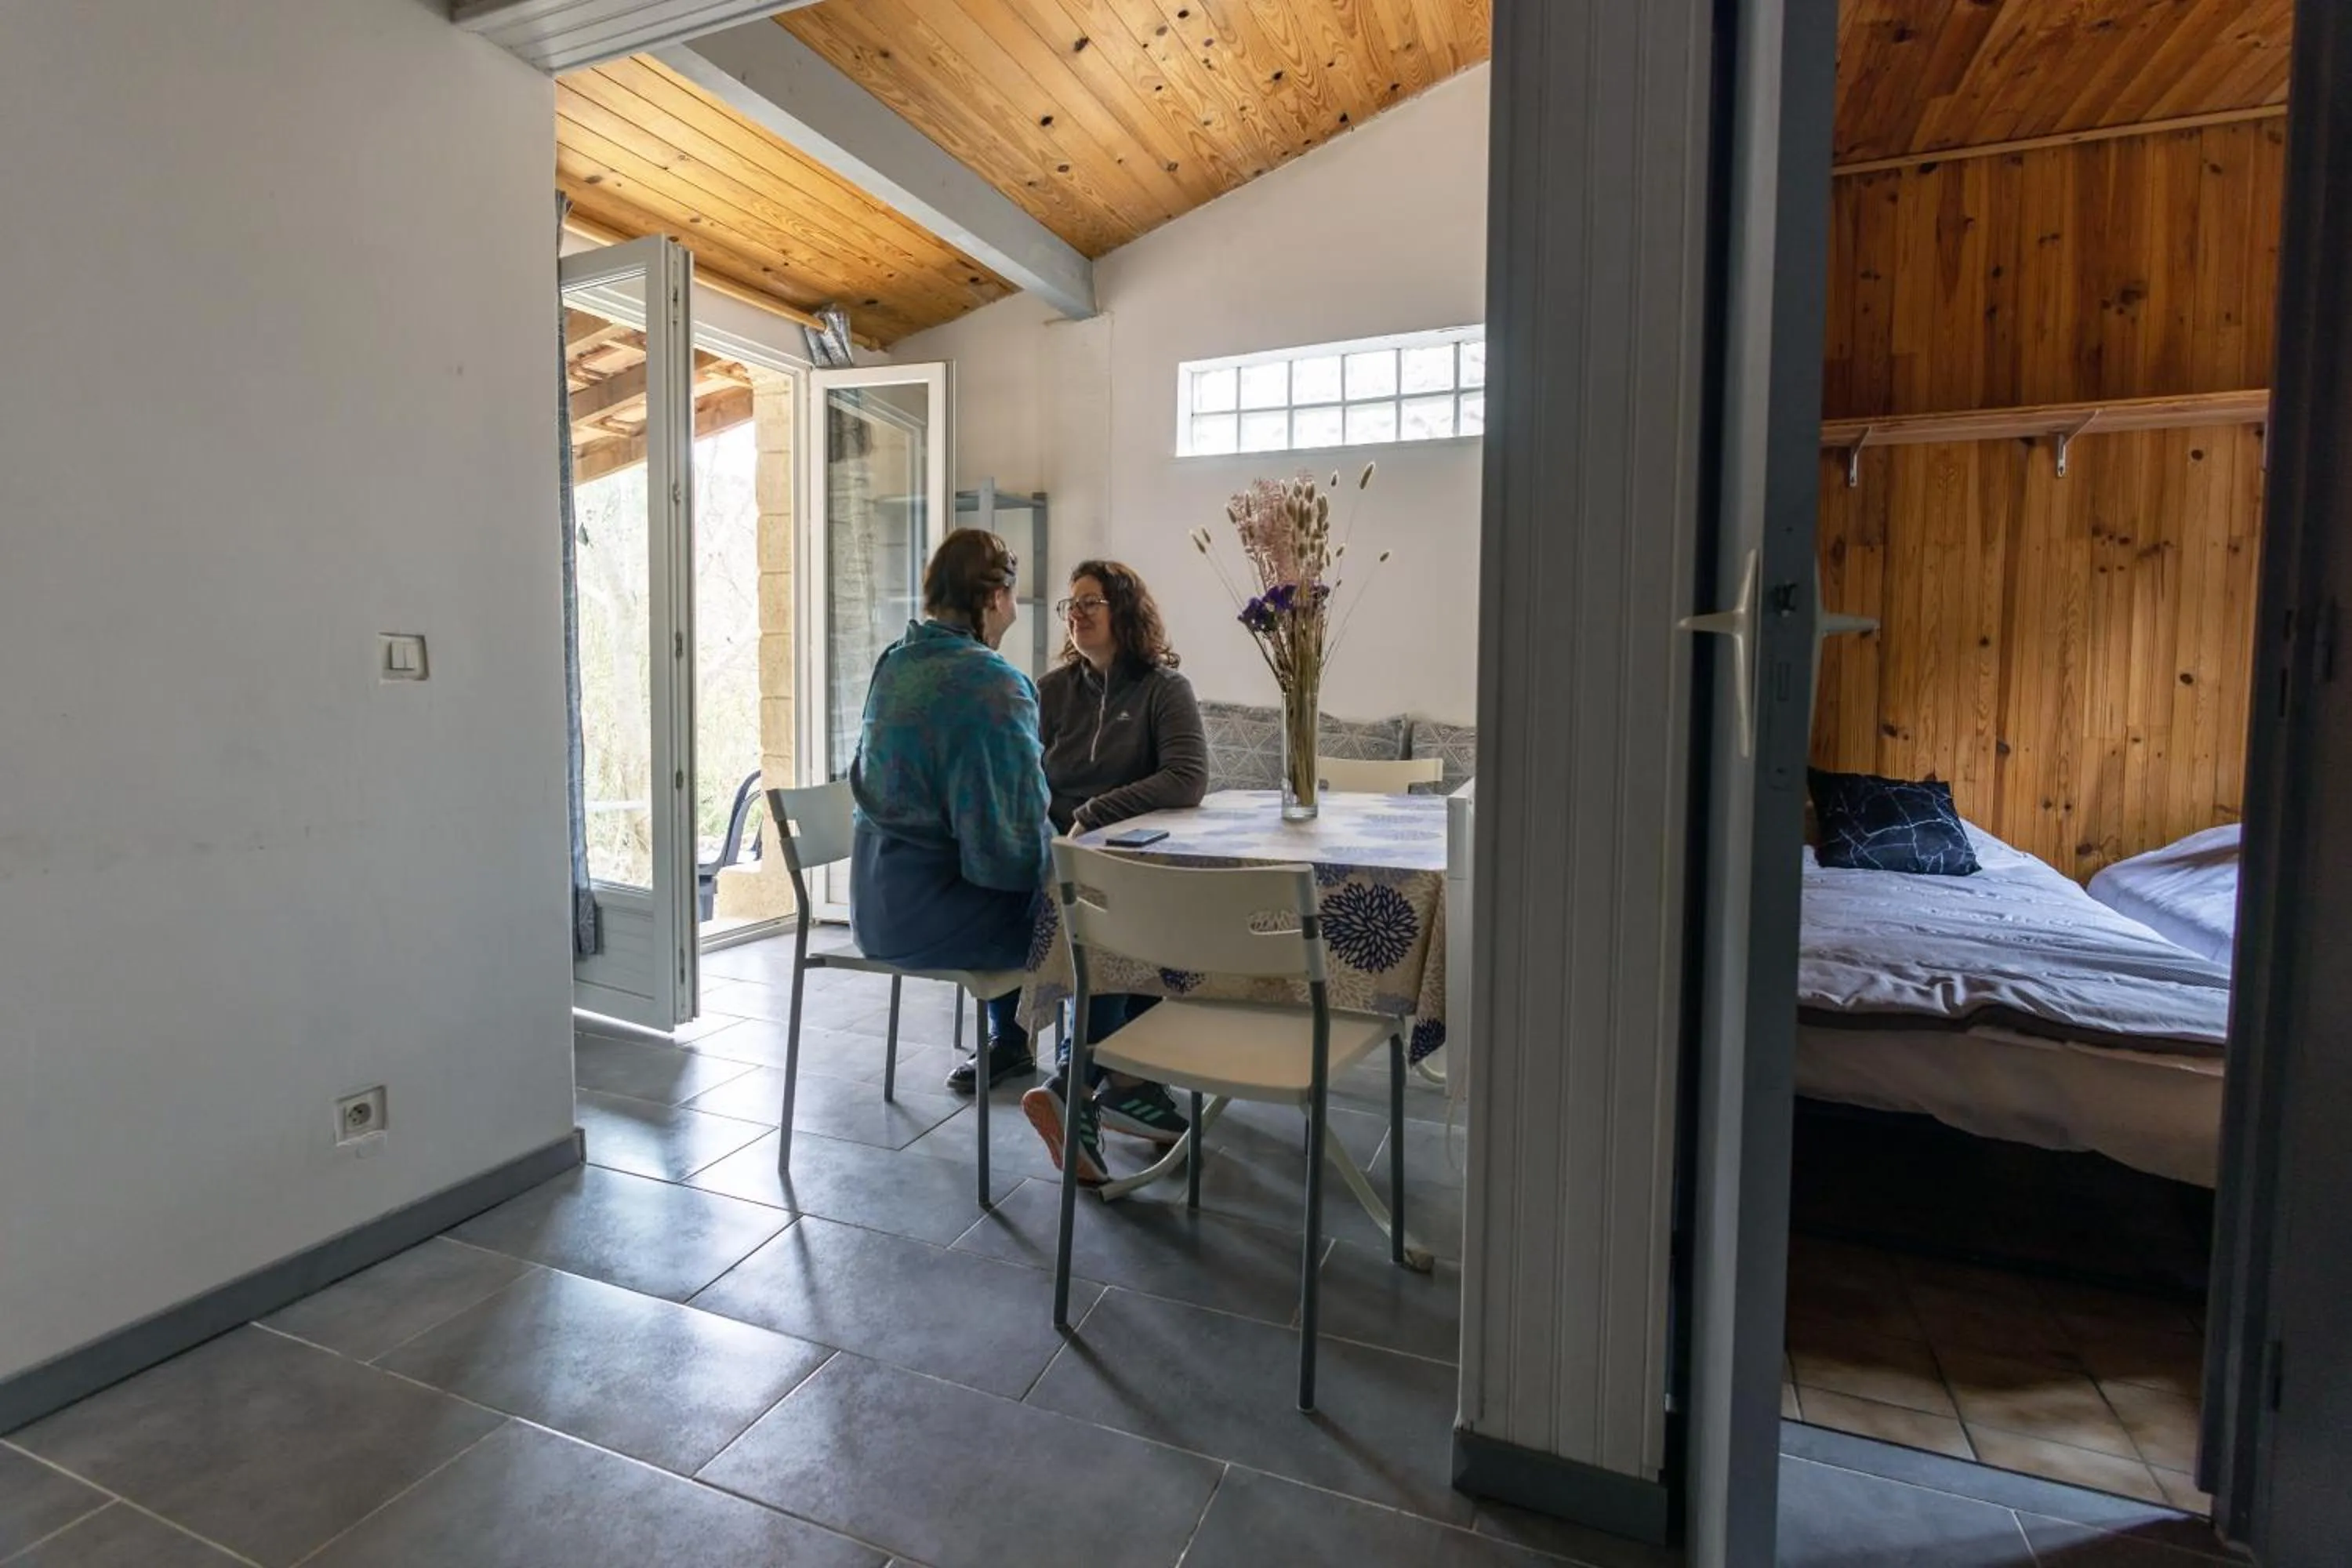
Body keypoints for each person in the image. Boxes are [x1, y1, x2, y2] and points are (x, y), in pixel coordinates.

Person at [1022, 560, 1209, 1183]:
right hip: (1062, 860)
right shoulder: (1050, 692)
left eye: (1091, 602)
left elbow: (1187, 779)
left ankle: (1101, 1086)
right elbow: (1026, 782)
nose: (1075, 613)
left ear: (1124, 612)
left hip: (1134, 860)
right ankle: (1120, 1086)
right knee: (1103, 922)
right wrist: (1059, 830)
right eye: (1070, 605)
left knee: (1120, 922)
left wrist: (1097, 813)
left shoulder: (1164, 688)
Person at [848, 528, 1049, 1094]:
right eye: (1011, 595)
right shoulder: (994, 683)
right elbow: (1014, 848)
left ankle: (1010, 1043)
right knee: (1093, 907)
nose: (1013, 609)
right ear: (993, 598)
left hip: (871, 907)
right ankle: (1106, 1082)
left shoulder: (895, 661)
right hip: (929, 921)